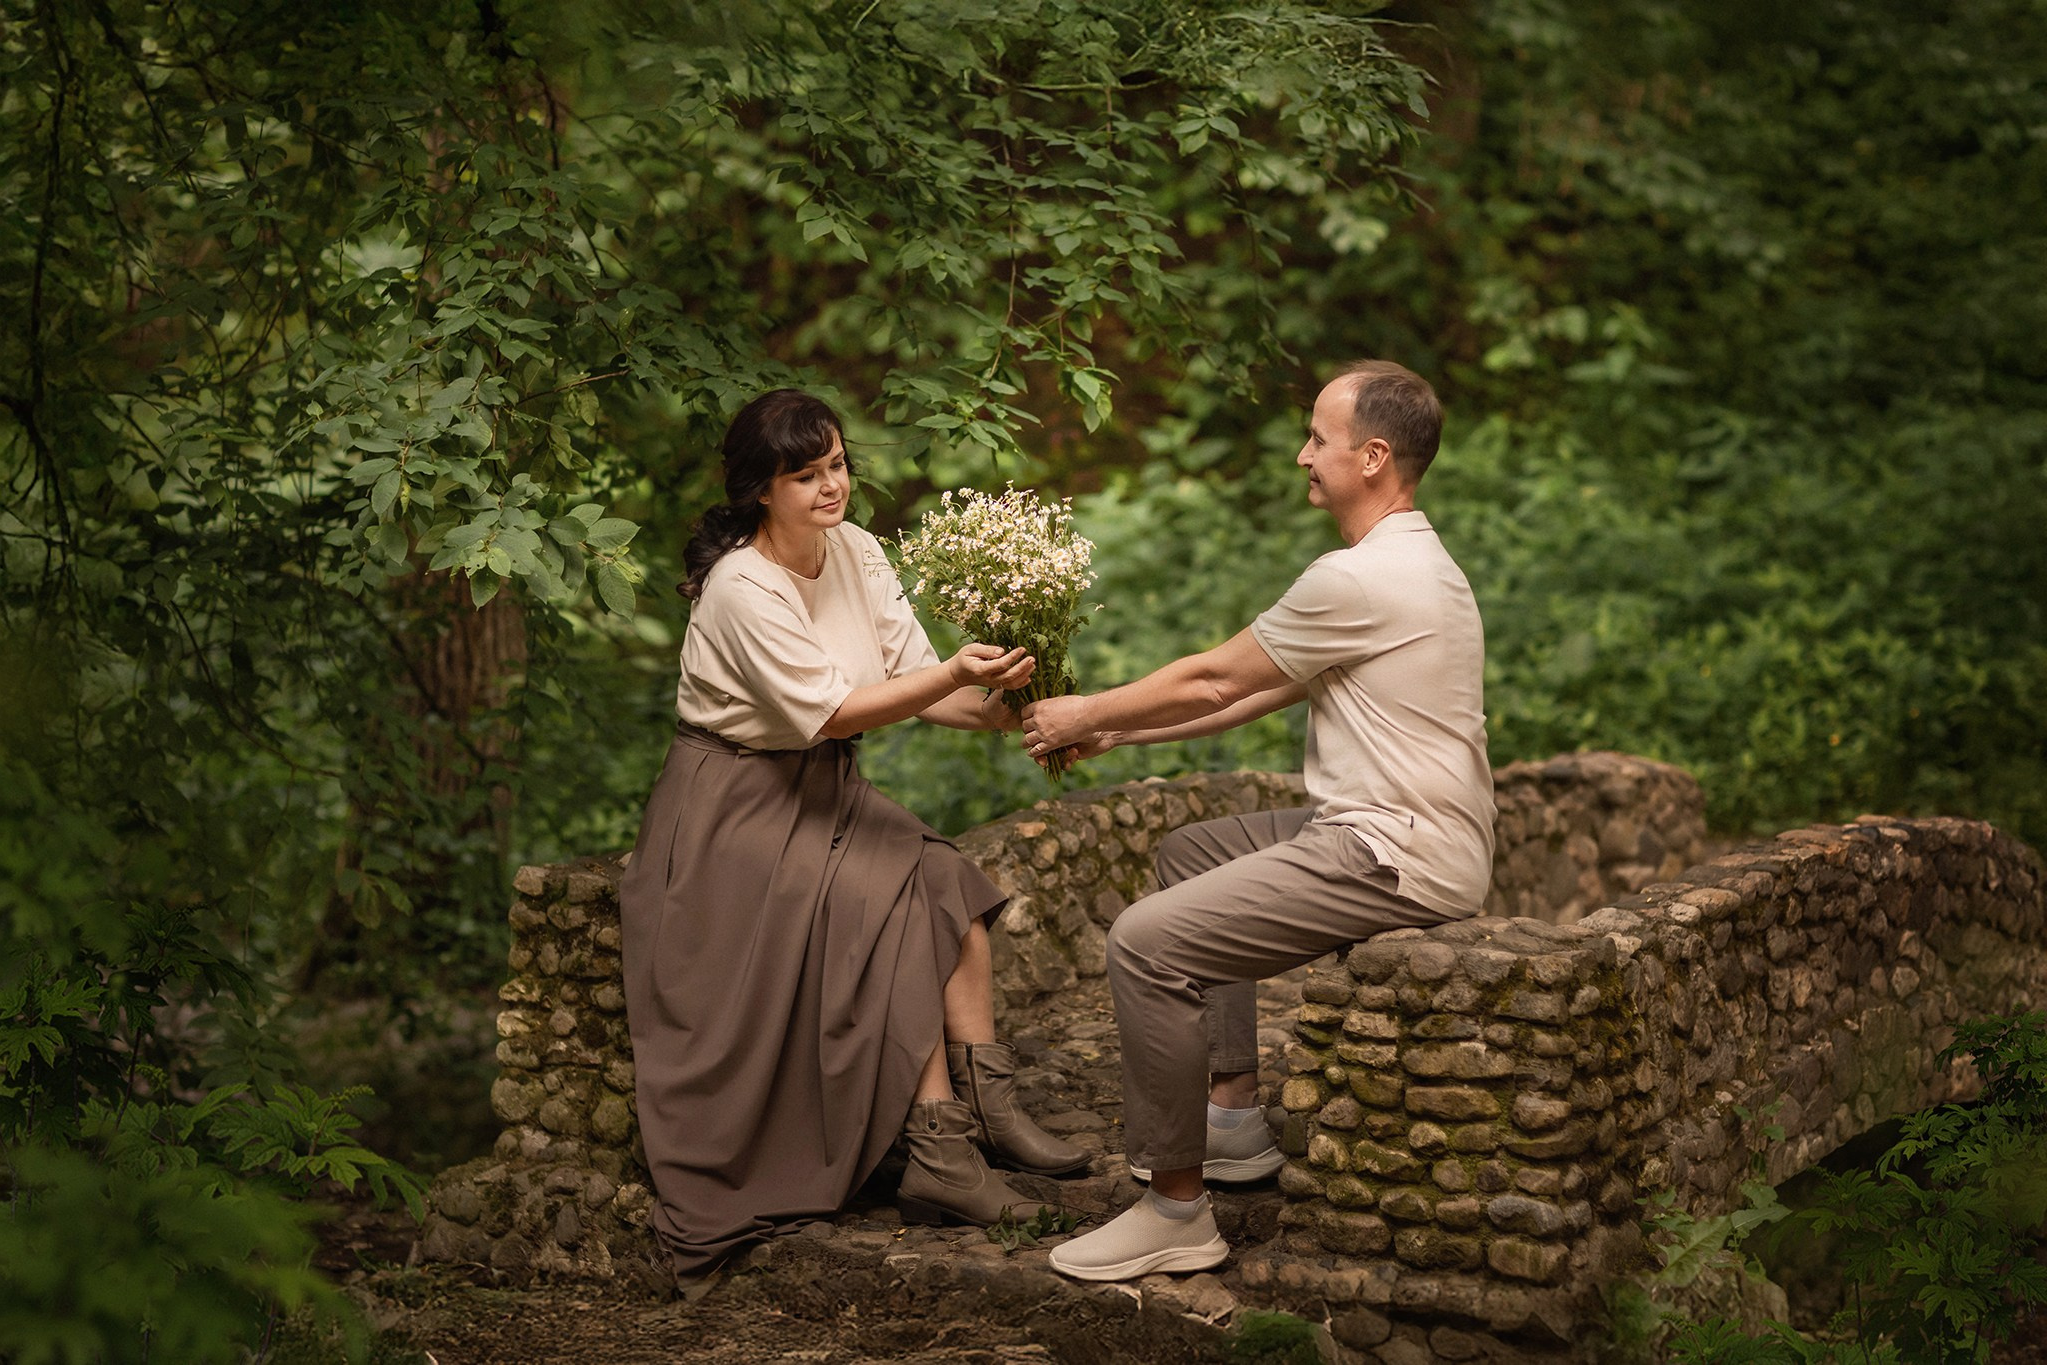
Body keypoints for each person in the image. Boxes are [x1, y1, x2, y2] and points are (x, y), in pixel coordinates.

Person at [1018, 360, 1496, 1282]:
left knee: (1145, 943)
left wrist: (1083, 710)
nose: (1302, 456)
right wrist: (1116, 730)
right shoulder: (1411, 563)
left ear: (1373, 456)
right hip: (1406, 832)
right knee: (1190, 852)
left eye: (1318, 438)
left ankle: (1175, 1210)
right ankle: (1232, 1115)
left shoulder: (1361, 578)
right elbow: (1253, 691)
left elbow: (1212, 677)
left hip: (1391, 851)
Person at [618, 388, 1088, 1280]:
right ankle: (941, 1155)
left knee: (949, 884)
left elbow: (919, 679)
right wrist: (955, 673)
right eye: (806, 475)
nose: (831, 485)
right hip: (732, 807)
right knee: (891, 907)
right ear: (762, 489)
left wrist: (1017, 707)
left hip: (820, 787)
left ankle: (989, 1113)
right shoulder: (741, 587)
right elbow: (834, 711)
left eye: (836, 464)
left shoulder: (859, 549)